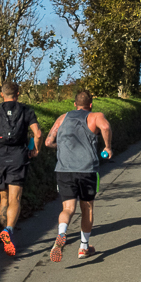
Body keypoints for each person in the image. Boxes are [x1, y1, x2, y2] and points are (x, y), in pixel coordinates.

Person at [44, 90, 113, 262]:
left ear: (74, 104)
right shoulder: (95, 116)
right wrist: (108, 147)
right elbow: (105, 127)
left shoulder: (63, 118)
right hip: (87, 170)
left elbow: (48, 142)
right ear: (90, 104)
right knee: (87, 207)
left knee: (67, 208)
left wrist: (65, 147)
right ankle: (83, 247)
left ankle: (61, 234)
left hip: (64, 169)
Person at [0, 80, 41, 257]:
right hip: (18, 156)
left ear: (1, 94)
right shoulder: (26, 111)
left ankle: (5, 234)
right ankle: (9, 231)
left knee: (3, 198)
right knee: (16, 197)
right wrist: (35, 149)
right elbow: (37, 133)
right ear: (18, 94)